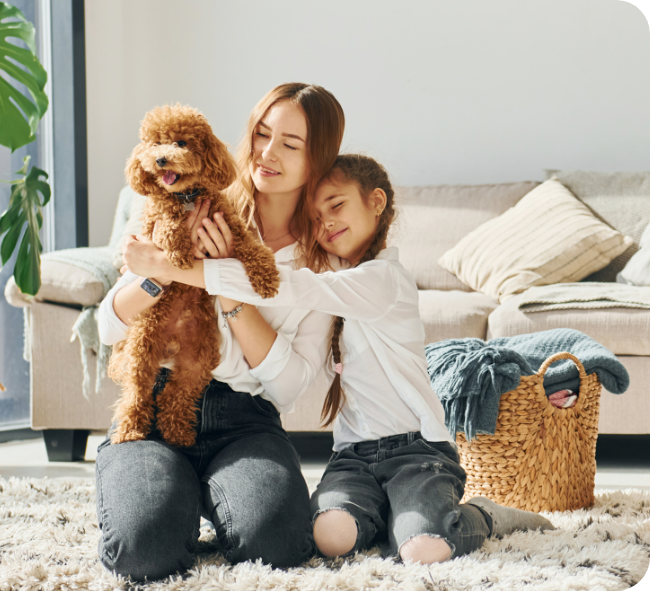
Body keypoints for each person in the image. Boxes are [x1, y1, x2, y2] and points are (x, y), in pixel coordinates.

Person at [167, 153, 555, 564]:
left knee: (422, 550)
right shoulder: (334, 276)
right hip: (353, 457)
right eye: (315, 218)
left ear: (376, 202)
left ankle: (485, 516)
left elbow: (291, 287)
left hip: (417, 452)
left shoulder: (385, 279)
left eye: (336, 205)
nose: (326, 223)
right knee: (329, 538)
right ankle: (390, 512)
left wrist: (175, 267)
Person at [95, 83, 345, 581]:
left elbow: (289, 386)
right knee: (143, 552)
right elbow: (108, 326)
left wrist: (227, 284)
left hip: (246, 421)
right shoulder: (194, 203)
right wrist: (158, 272)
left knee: (278, 543)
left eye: (290, 144)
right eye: (261, 134)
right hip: (155, 410)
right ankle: (165, 490)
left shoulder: (322, 265)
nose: (266, 153)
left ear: (317, 160)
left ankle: (206, 492)